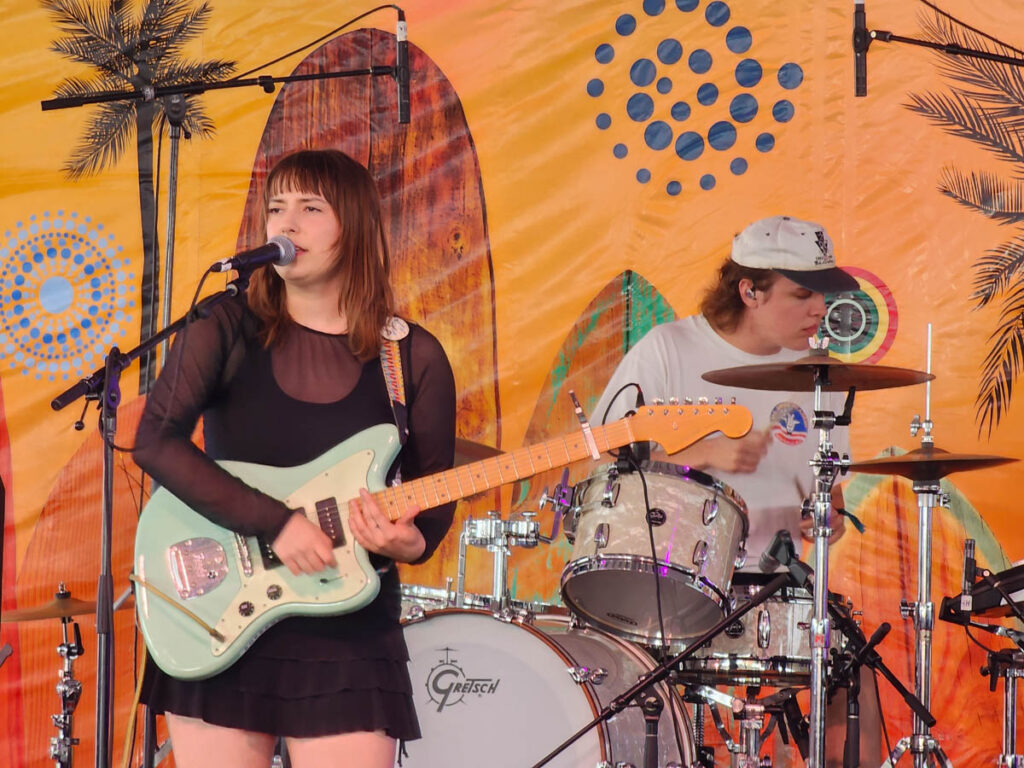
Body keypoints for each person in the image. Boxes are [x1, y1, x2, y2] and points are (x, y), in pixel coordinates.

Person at [133, 148, 456, 768]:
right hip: (221, 602)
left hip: (349, 626)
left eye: (310, 209)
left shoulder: (411, 355)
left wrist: (412, 543)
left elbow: (432, 489)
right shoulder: (224, 325)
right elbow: (154, 440)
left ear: (355, 226)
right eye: (276, 208)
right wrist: (276, 523)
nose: (286, 223)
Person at [592, 214, 880, 766]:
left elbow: (833, 498)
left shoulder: (820, 374)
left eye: (823, 295)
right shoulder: (669, 349)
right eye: (802, 295)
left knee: (855, 667)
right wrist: (702, 453)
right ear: (749, 291)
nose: (819, 310)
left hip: (777, 587)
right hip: (675, 583)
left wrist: (829, 518)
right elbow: (605, 449)